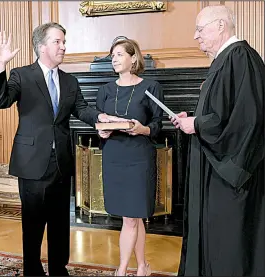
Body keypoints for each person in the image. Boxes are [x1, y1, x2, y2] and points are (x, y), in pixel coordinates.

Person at [0, 22, 123, 276]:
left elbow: (82, 109)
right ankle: (32, 270)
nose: (64, 46)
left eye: (64, 41)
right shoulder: (21, 75)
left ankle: (58, 269)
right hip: (31, 162)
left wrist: (100, 118)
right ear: (42, 47)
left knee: (60, 224)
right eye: (58, 41)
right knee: (33, 224)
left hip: (61, 162)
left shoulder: (70, 81)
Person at [170, 5, 265, 276]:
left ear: (220, 26)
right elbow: (221, 111)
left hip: (230, 176)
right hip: (215, 171)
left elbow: (247, 119)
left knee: (229, 243)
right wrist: (193, 118)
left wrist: (197, 124)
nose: (195, 37)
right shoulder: (226, 60)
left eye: (200, 29)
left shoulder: (240, 58)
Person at [96, 38, 164, 276]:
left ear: (134, 58)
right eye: (112, 55)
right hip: (114, 156)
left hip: (139, 157)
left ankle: (122, 270)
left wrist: (142, 129)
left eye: (119, 54)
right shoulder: (105, 90)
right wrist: (102, 131)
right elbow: (100, 123)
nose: (114, 59)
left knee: (132, 219)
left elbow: (158, 123)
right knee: (133, 217)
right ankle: (143, 266)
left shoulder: (151, 87)